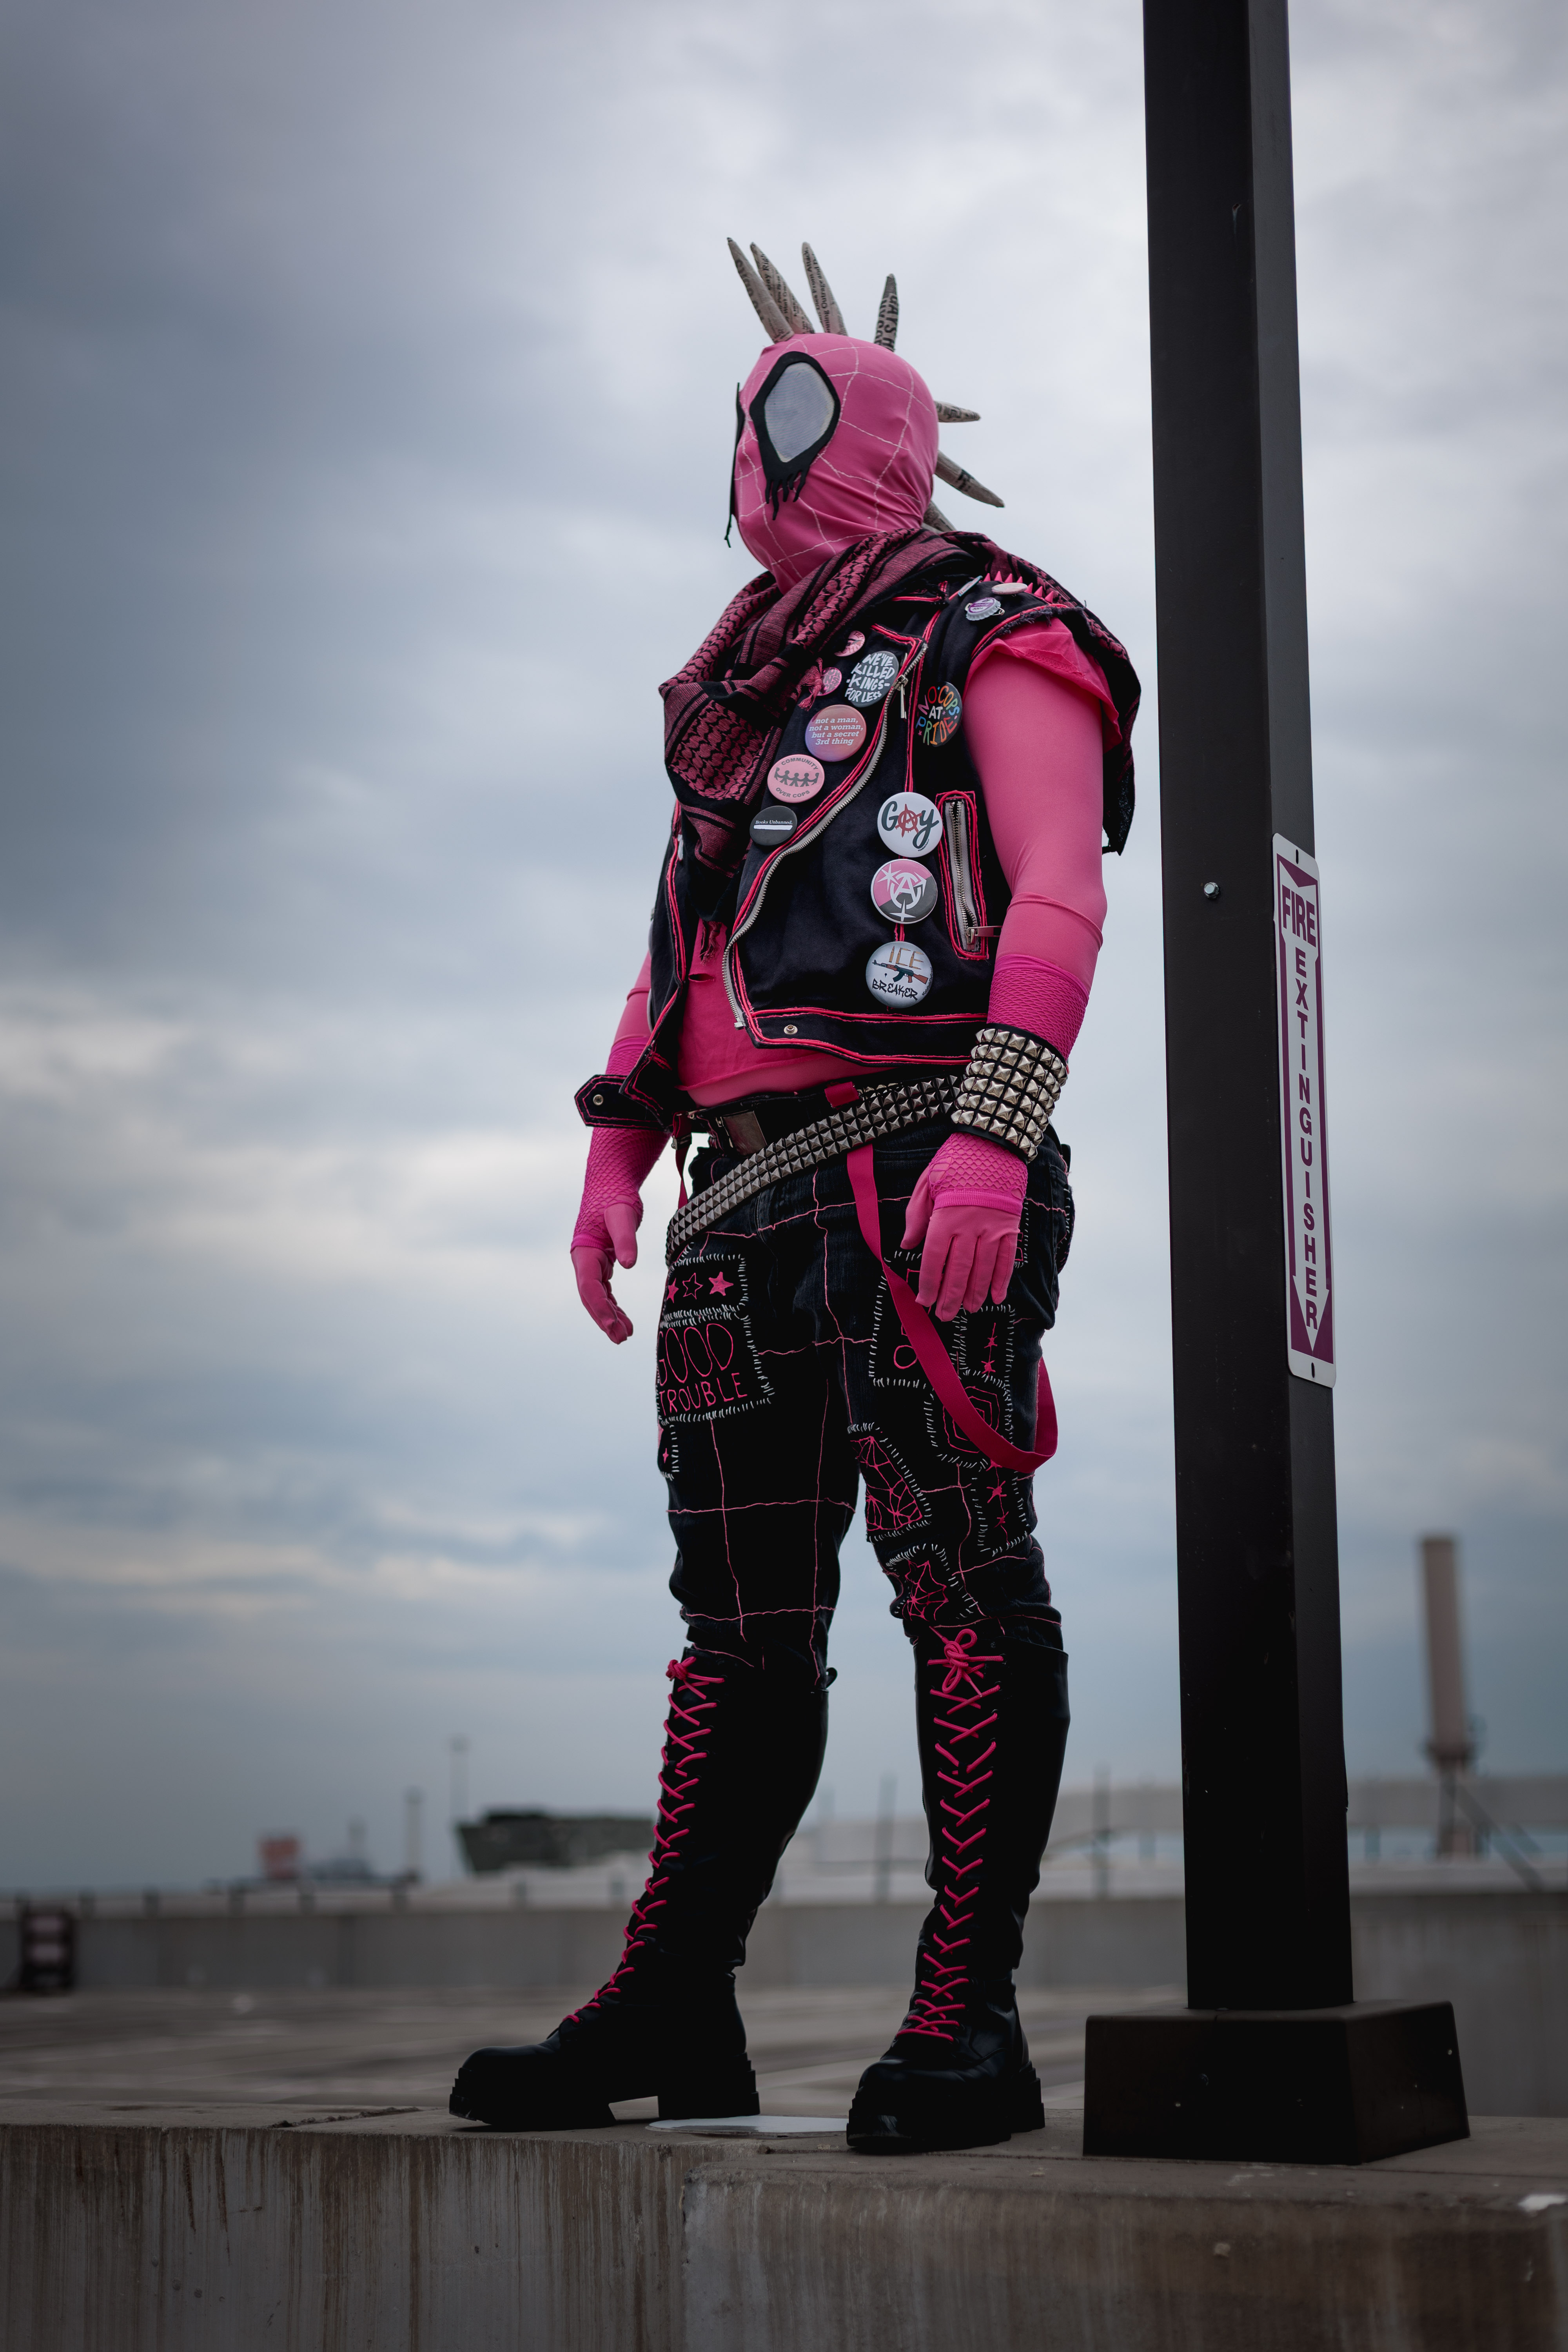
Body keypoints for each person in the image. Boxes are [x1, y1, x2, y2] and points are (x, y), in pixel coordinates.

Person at [451, 241, 1139, 2154]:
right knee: (736, 1626)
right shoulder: (741, 700)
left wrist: (999, 1130)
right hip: (739, 1211)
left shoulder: (1001, 626)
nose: (757, 451)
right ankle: (677, 1999)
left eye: (793, 412)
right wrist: (612, 1144)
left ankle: (965, 2018)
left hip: (923, 1161)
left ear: (874, 438)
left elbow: (1060, 890)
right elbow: (683, 938)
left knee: (960, 1576)